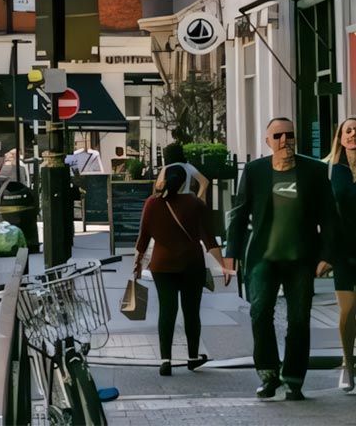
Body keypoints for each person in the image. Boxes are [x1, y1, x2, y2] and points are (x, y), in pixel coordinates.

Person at [222, 117, 337, 401]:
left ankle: (294, 378)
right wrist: (230, 254)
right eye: (278, 137)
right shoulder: (255, 171)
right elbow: (238, 214)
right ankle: (268, 374)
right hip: (264, 258)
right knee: (260, 314)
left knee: (298, 320)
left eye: (289, 135)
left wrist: (328, 255)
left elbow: (330, 218)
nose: (285, 141)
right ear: (268, 142)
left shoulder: (314, 171)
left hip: (301, 259)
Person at [133, 165, 228, 375]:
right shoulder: (195, 203)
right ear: (186, 182)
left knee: (167, 311)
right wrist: (224, 266)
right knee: (191, 312)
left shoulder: (152, 203)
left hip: (161, 266)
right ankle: (193, 357)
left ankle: (165, 360)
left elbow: (143, 237)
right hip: (191, 265)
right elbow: (209, 239)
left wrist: (137, 263)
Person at [325, 115, 356, 393]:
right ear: (340, 136)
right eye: (348, 130)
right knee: (347, 311)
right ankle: (348, 364)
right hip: (344, 252)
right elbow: (324, 216)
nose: (353, 134)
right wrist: (325, 254)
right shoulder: (331, 170)